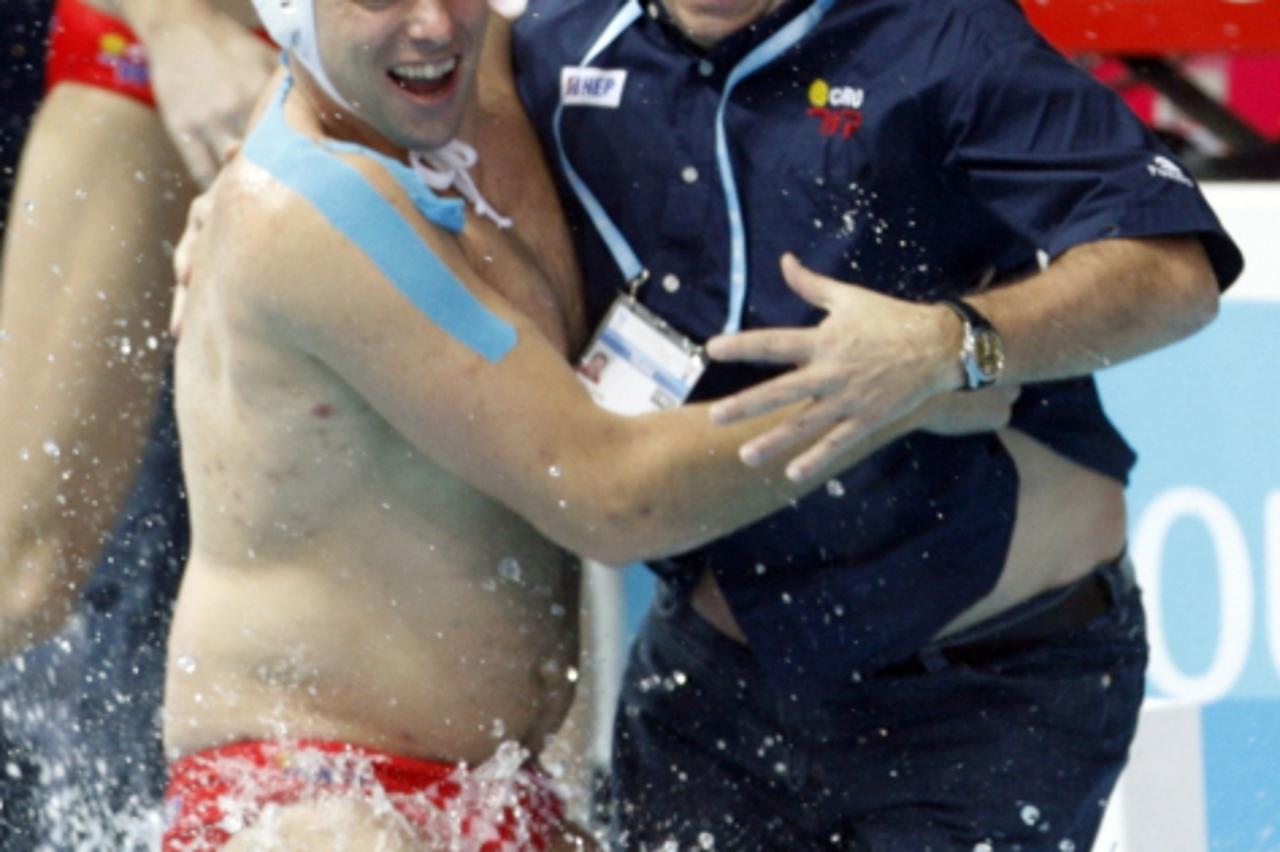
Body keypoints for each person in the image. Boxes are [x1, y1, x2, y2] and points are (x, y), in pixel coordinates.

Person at [159, 0, 1015, 848]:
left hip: (488, 794)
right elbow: (609, 495)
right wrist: (900, 389)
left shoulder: (471, 80)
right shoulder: (312, 208)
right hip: (319, 804)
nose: (431, 24)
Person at [510, 0, 1244, 849]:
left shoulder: (943, 35)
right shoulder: (558, 45)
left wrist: (949, 342)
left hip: (985, 689)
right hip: (715, 680)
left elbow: (1172, 275)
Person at [0, 0, 274, 844]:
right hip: (164, 56)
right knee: (22, 575)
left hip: (434, 71)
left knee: (475, 570)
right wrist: (173, 22)